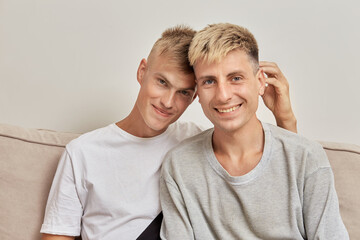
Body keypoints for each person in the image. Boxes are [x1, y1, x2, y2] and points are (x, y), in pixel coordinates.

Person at [41, 25, 297, 240]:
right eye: (162, 82)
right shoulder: (84, 152)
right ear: (143, 72)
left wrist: (285, 117)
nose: (167, 102)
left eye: (184, 92)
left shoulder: (198, 142)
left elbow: (276, 184)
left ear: (196, 95)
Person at [160, 23, 349, 240]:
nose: (223, 95)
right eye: (209, 81)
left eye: (236, 78)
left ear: (260, 82)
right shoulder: (179, 166)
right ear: (198, 93)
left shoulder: (307, 157)